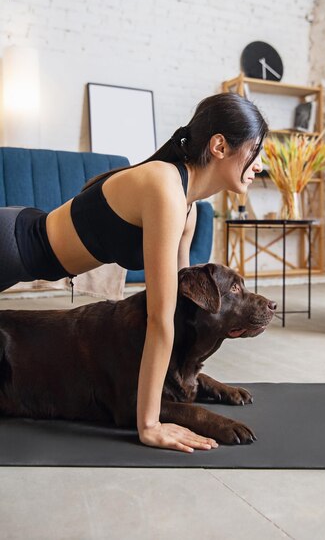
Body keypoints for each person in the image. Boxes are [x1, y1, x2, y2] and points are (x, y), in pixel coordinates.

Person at [0, 92, 268, 453]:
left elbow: (179, 307)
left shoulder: (188, 208)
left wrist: (192, 383)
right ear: (220, 145)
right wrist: (149, 424)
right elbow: (159, 318)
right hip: (11, 246)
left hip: (22, 239)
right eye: (254, 151)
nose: (258, 165)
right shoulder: (164, 188)